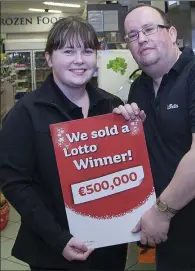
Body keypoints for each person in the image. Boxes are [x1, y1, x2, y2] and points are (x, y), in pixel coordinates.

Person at [113, 4, 195, 271]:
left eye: (148, 29)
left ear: (171, 33)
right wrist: (123, 130)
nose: (141, 39)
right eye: (132, 35)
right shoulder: (139, 89)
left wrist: (161, 213)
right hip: (168, 242)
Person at [0, 16, 128, 271]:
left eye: (87, 51)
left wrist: (133, 128)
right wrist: (58, 239)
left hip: (109, 247)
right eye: (68, 51)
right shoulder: (26, 113)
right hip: (53, 250)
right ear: (48, 58)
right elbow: (14, 183)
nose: (79, 60)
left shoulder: (113, 106)